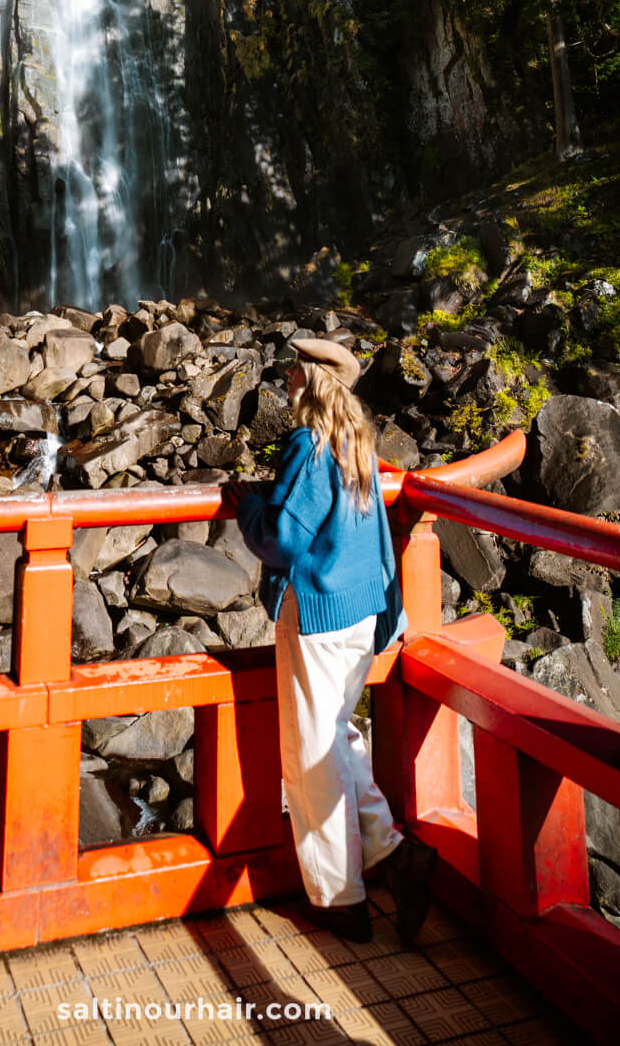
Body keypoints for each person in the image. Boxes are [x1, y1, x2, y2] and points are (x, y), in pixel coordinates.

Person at [230, 336, 435, 945]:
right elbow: (369, 535)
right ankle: (397, 858)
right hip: (360, 614)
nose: (286, 375)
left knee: (311, 757)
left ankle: (342, 900)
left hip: (317, 616)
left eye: (293, 368)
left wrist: (247, 508)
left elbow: (284, 539)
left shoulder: (308, 443)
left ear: (311, 381)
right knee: (339, 740)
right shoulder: (357, 443)